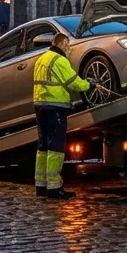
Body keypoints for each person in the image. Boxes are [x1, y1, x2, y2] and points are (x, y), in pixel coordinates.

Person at [32, 34, 92, 199]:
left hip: (40, 107)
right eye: (68, 45)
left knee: (43, 147)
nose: (69, 49)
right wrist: (89, 85)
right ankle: (54, 188)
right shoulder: (59, 60)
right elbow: (73, 82)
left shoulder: (41, 59)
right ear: (63, 43)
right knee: (56, 148)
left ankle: (41, 186)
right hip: (55, 108)